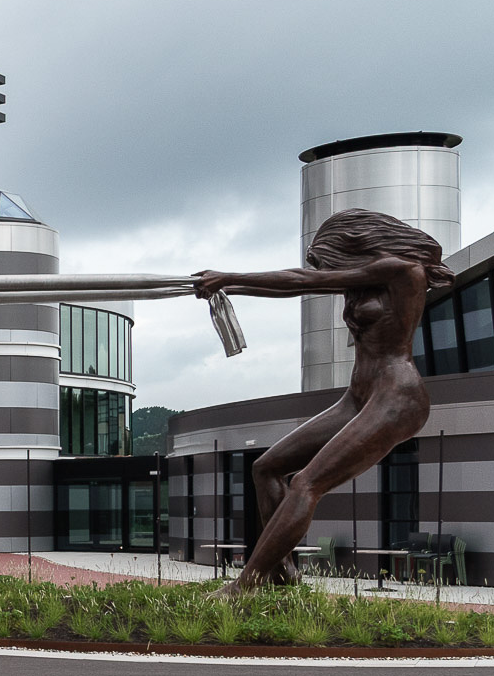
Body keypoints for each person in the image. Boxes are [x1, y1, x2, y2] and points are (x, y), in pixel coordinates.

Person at [193, 209, 454, 596]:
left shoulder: (402, 271)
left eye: (330, 260)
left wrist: (230, 279)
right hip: (358, 396)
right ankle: (283, 576)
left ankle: (247, 584)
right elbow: (308, 279)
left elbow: (301, 281)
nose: (327, 269)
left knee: (306, 483)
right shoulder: (361, 284)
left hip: (398, 396)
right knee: (266, 469)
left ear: (349, 246)